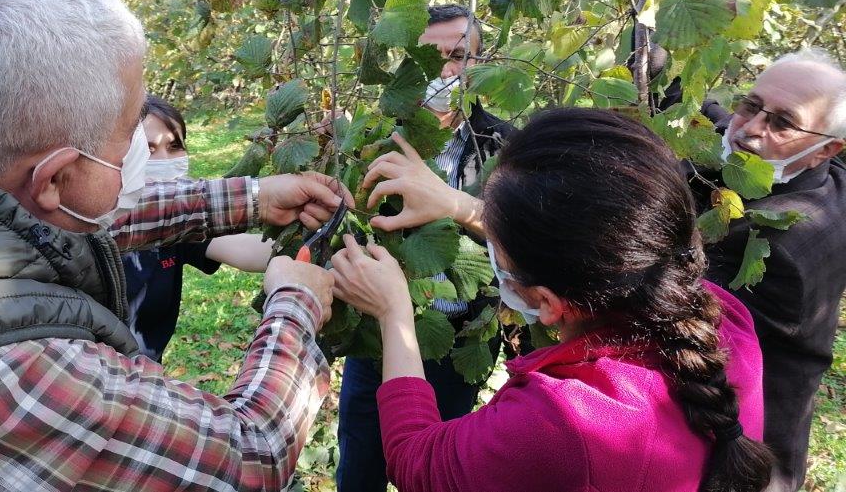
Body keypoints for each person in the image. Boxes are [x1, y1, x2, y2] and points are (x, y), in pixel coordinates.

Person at [0, 0, 355, 492]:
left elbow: (46, 229)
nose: (143, 152)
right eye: (130, 132)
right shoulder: (8, 380)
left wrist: (253, 197)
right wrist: (295, 307)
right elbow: (249, 458)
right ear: (55, 177)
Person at [331, 108, 774, 492]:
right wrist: (460, 206)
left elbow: (418, 465)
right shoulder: (722, 317)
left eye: (499, 252)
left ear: (547, 303)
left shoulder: (564, 424)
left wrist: (394, 314)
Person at [336, 4, 515, 492]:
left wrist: (459, 210)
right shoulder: (372, 139)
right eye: (427, 58)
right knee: (360, 460)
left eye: (457, 56)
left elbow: (523, 240)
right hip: (375, 338)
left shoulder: (505, 147)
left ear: (478, 63)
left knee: (440, 465)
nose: (442, 71)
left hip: (459, 339)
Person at [701, 50, 846, 491]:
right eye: (750, 104)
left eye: (783, 123)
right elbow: (724, 120)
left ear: (826, 150)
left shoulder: (772, 244)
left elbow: (655, 304)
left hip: (741, 459)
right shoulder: (826, 174)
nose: (751, 130)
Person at [125, 94, 273, 359]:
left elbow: (249, 250)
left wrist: (317, 241)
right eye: (147, 149)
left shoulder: (180, 226)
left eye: (174, 147)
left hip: (147, 379)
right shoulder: (90, 223)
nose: (162, 159)